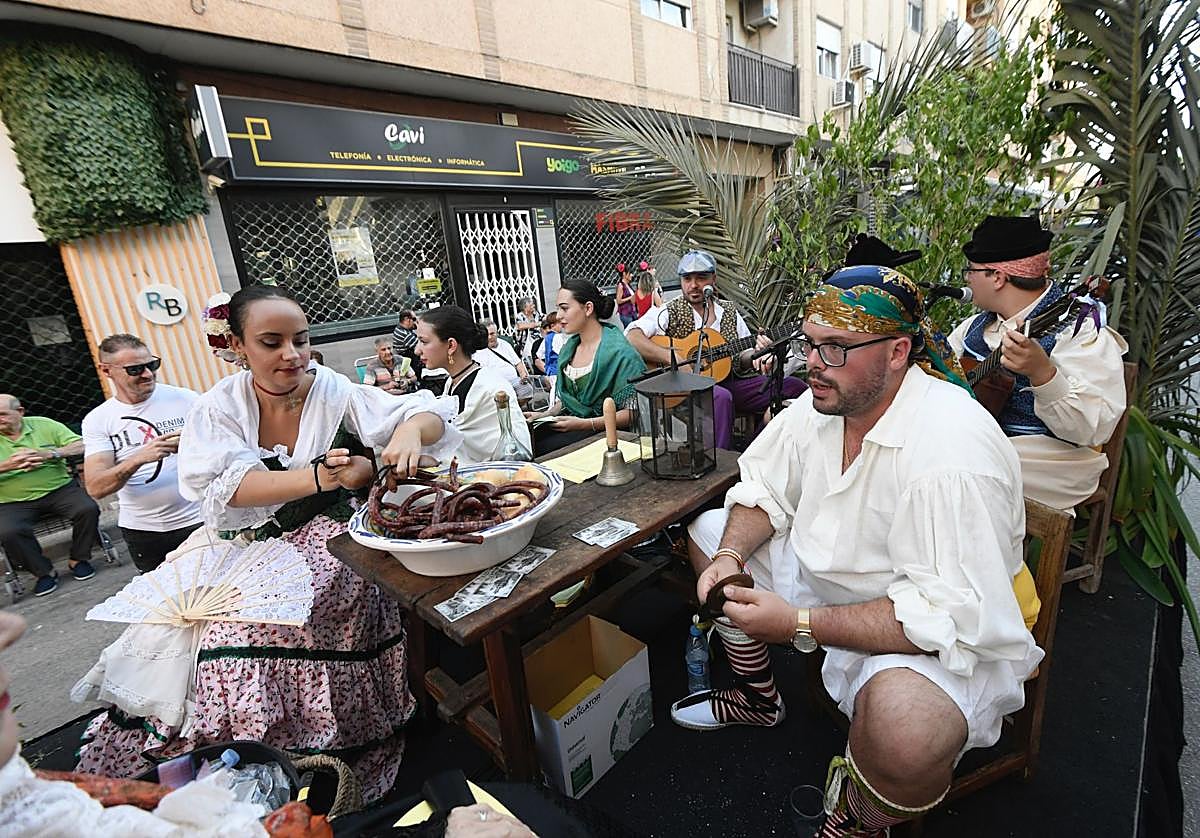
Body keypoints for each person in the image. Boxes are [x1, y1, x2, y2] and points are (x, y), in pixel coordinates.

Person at [669, 265, 1041, 836]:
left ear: (898, 352)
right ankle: (759, 698)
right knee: (711, 533)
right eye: (811, 344)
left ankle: (855, 822)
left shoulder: (951, 454)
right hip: (835, 584)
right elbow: (763, 487)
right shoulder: (826, 403)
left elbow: (950, 615)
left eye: (836, 348)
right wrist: (730, 559)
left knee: (906, 732)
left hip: (938, 624)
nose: (813, 364)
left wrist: (798, 623)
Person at [74, 285, 461, 803]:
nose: (292, 355)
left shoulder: (331, 387)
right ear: (237, 345)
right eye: (272, 342)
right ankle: (245, 753)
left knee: (304, 609)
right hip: (238, 542)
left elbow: (422, 415)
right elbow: (231, 489)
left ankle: (320, 740)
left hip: (324, 536)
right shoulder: (218, 406)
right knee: (196, 628)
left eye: (300, 340)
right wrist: (321, 477)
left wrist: (412, 431)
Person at [947, 215, 1128, 510]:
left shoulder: (1079, 330)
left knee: (952, 464)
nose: (967, 278)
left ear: (997, 277)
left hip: (1051, 461)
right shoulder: (973, 328)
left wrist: (1044, 375)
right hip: (983, 446)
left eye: (972, 270)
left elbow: (1093, 429)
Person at [624, 250, 806, 450]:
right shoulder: (668, 310)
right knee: (720, 397)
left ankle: (752, 449)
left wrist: (756, 353)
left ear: (714, 279)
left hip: (729, 382)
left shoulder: (728, 311)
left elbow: (741, 356)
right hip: (682, 388)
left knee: (794, 387)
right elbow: (632, 336)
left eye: (701, 278)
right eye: (687, 278)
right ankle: (720, 468)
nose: (693, 285)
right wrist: (671, 356)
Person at [81, 335, 203, 574]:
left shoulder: (186, 399)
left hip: (200, 519)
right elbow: (96, 487)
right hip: (145, 531)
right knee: (168, 603)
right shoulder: (99, 419)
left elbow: (225, 447)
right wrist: (138, 458)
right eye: (135, 369)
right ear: (106, 370)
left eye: (152, 365)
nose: (147, 374)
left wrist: (193, 444)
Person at [524, 279, 646, 455]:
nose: (558, 316)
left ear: (588, 308)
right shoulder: (568, 351)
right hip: (574, 429)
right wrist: (543, 416)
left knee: (543, 450)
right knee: (528, 441)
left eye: (564, 308)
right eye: (558, 308)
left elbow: (634, 412)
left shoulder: (621, 353)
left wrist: (586, 423)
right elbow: (569, 401)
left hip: (609, 437)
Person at [0, 395, 98, 596]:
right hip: (13, 501)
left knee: (87, 509)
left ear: (20, 412)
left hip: (59, 489)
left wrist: (50, 454)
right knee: (8, 531)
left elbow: (82, 445)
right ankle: (43, 572)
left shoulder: (44, 425)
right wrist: (8, 466)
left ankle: (79, 558)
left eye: (2, 414)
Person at [415, 306, 532, 465]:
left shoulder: (491, 388)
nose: (417, 350)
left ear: (451, 345)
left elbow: (514, 453)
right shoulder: (452, 382)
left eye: (423, 341)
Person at [392, 310, 423, 379]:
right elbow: (421, 348)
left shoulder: (398, 329)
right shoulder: (405, 334)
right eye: (414, 319)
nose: (415, 322)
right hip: (411, 365)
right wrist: (419, 327)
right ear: (406, 319)